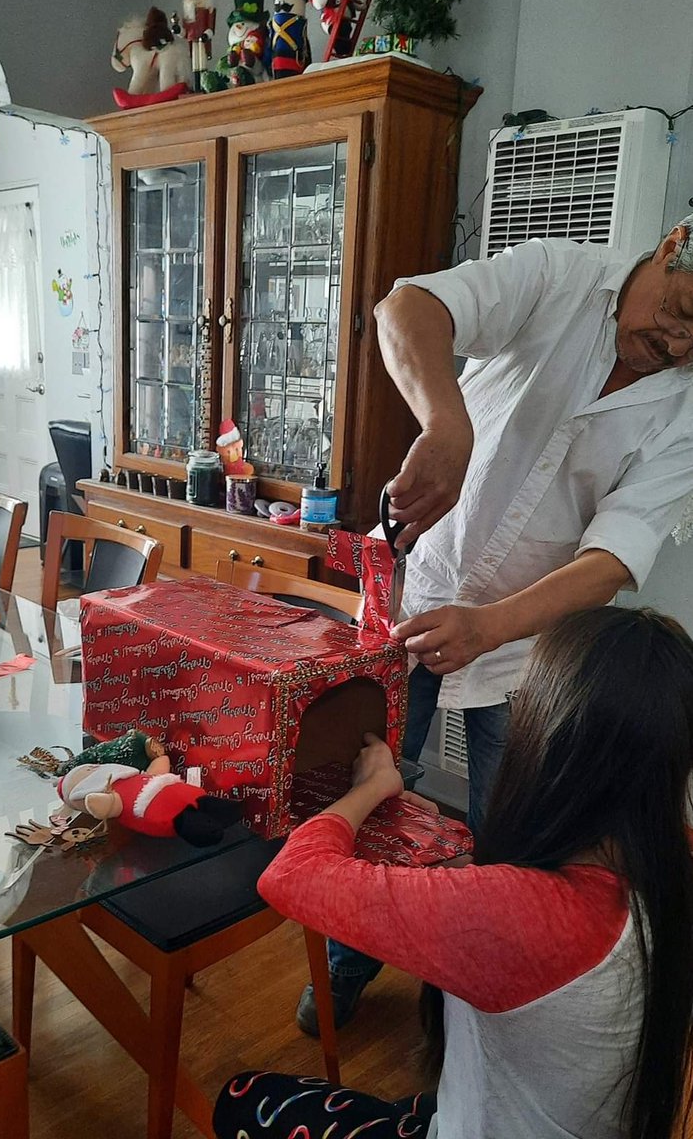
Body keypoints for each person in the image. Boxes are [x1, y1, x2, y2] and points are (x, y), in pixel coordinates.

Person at [297, 218, 693, 1035]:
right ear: (672, 245)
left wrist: (491, 626)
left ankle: (467, 1004)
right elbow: (406, 308)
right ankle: (345, 965)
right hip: (410, 601)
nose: (679, 344)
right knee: (368, 794)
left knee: (512, 838)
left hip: (527, 654)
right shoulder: (557, 274)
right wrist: (446, 423)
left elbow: (613, 557)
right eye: (683, 311)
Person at [215, 606, 693, 1139]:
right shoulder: (662, 874)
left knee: (243, 1097)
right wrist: (443, 849)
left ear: (550, 742)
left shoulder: (519, 915)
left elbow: (291, 874)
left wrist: (370, 789)